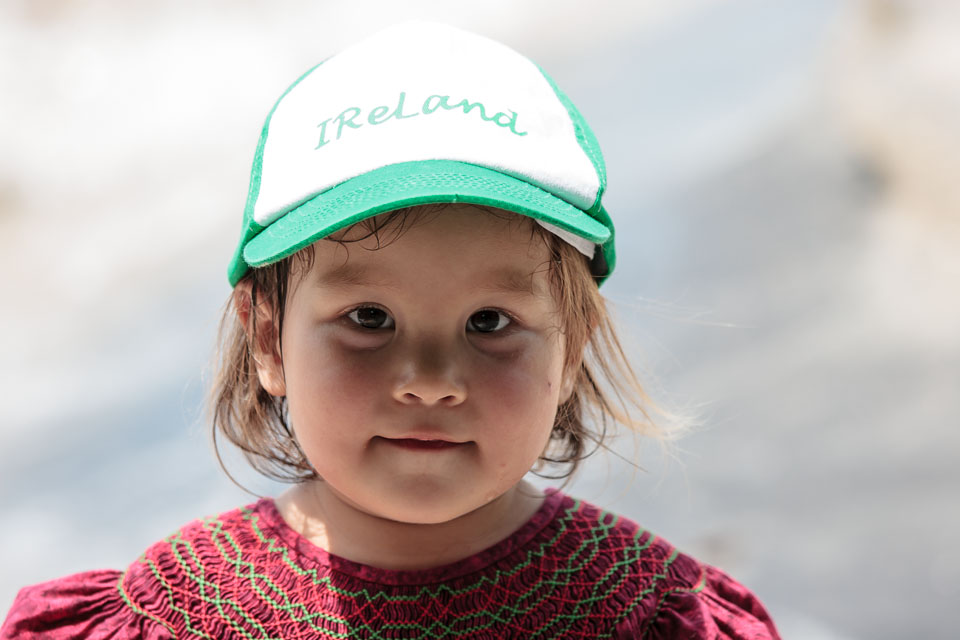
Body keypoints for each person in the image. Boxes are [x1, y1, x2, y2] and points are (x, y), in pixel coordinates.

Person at [1, 21, 781, 639]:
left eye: (489, 322)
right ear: (268, 339)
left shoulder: (647, 615)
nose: (431, 379)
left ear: (571, 346)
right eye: (368, 319)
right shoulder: (179, 618)